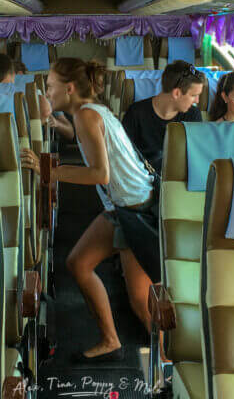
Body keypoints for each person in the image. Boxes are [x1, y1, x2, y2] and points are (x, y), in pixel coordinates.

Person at [20, 58, 154, 362]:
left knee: (139, 300)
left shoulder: (86, 117)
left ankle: (170, 364)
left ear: (69, 88)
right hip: (122, 206)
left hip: (135, 210)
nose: (48, 91)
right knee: (78, 263)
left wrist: (48, 170)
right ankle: (110, 339)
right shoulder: (88, 112)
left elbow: (99, 174)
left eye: (51, 86)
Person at [121, 60, 205, 174]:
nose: (197, 101)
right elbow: (124, 157)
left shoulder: (193, 115)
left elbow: (195, 158)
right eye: (193, 95)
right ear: (176, 93)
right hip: (141, 179)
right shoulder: (136, 113)